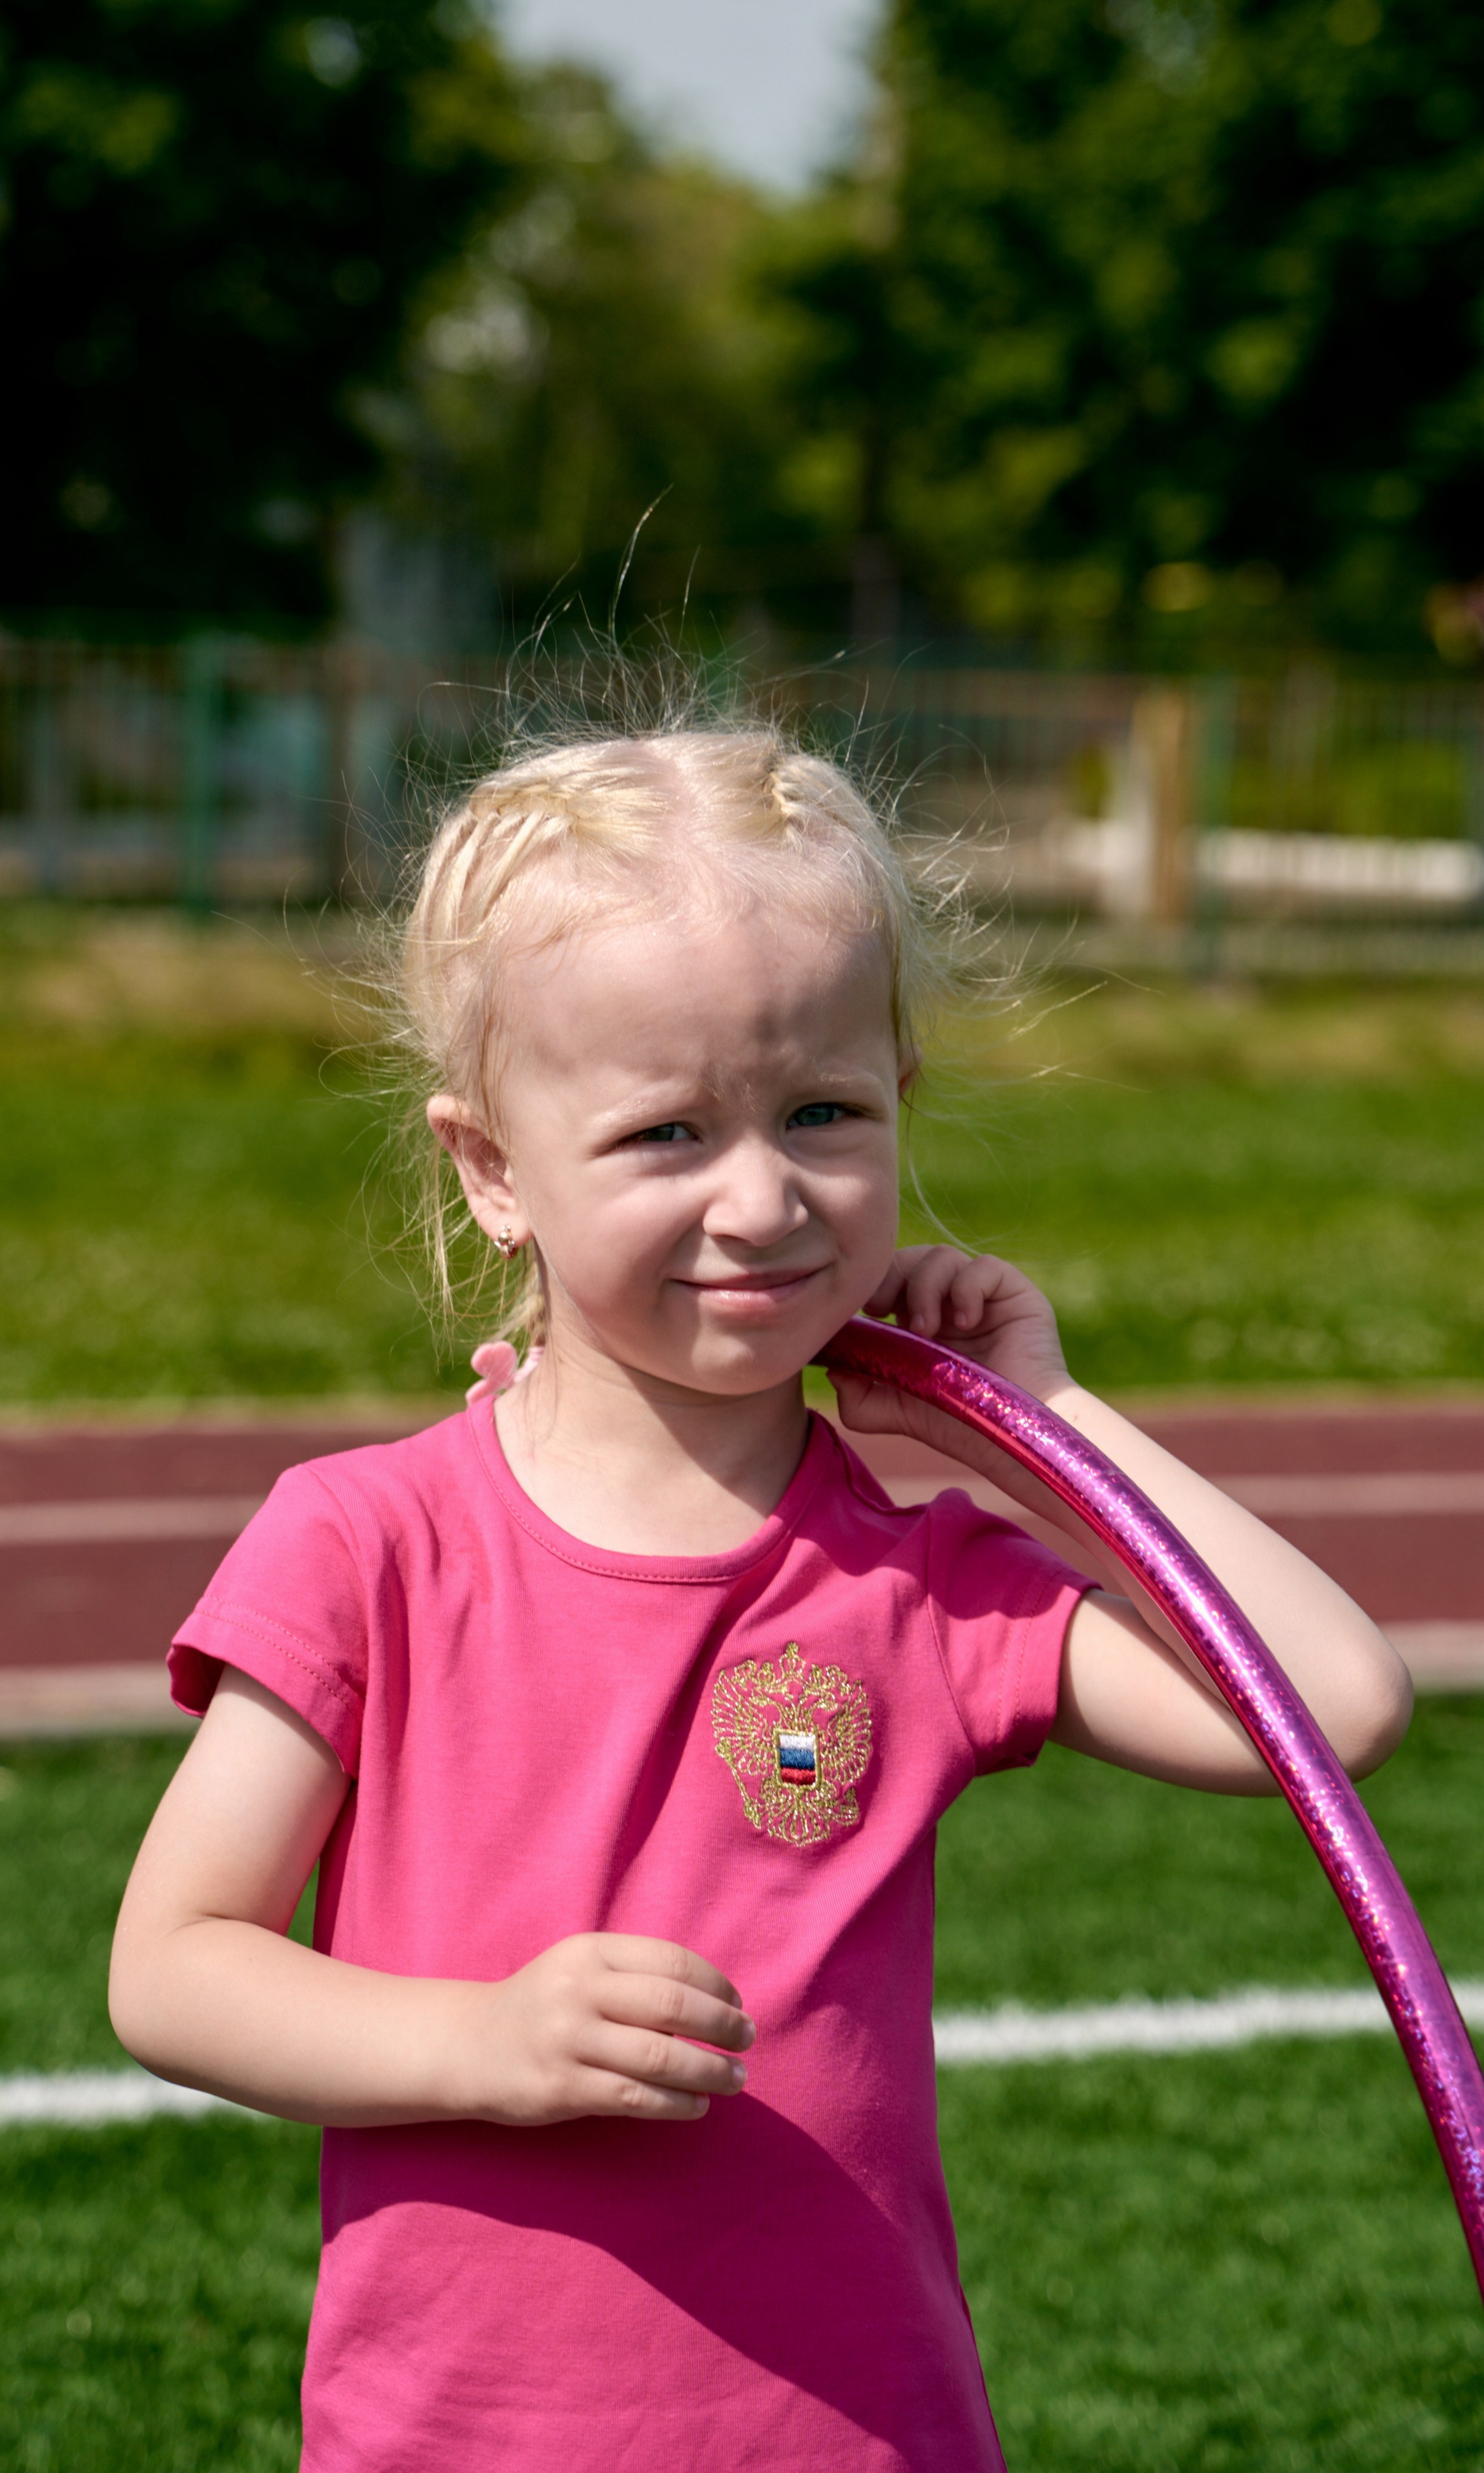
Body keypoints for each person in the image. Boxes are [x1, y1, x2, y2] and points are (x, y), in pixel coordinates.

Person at [109, 719, 1411, 2472]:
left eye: (823, 1112)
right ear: (493, 1168)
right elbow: (174, 1971)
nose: (762, 1195)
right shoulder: (369, 1543)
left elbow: (1329, 1709)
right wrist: (482, 2041)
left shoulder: (921, 1576)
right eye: (664, 1131)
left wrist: (1054, 1430)